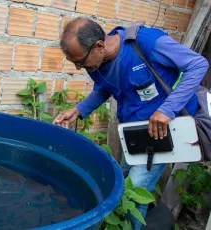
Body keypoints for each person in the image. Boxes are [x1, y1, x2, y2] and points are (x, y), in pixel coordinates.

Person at [52, 18, 209, 229]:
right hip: (135, 133)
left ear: (99, 46)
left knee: (135, 189)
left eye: (80, 62)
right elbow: (104, 88)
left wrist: (166, 109)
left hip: (162, 132)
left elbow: (198, 64)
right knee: (121, 177)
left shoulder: (147, 43)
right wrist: (78, 110)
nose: (79, 68)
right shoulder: (98, 62)